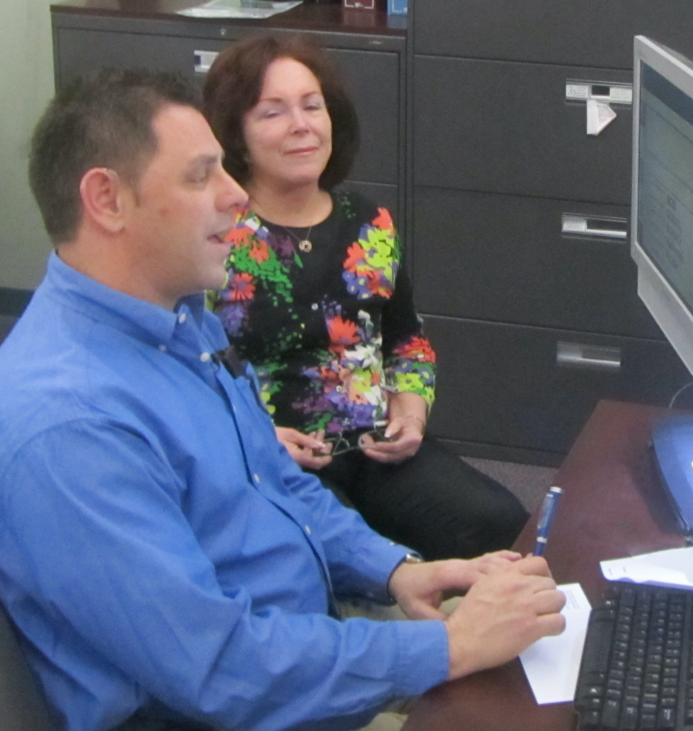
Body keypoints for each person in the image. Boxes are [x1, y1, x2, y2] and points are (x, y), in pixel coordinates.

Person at [0, 69, 566, 731]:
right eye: (200, 175)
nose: (237, 194)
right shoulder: (68, 427)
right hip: (244, 702)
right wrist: (452, 646)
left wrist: (394, 571)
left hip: (299, 638)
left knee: (548, 667)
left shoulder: (181, 321)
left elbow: (276, 488)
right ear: (107, 200)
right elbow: (221, 669)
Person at [202, 35, 529, 561]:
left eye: (313, 106)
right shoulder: (215, 237)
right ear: (237, 137)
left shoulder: (367, 222)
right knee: (334, 562)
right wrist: (250, 440)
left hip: (375, 448)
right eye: (273, 113)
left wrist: (412, 412)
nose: (301, 125)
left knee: (502, 524)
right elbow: (186, 376)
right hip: (276, 458)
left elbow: (407, 339)